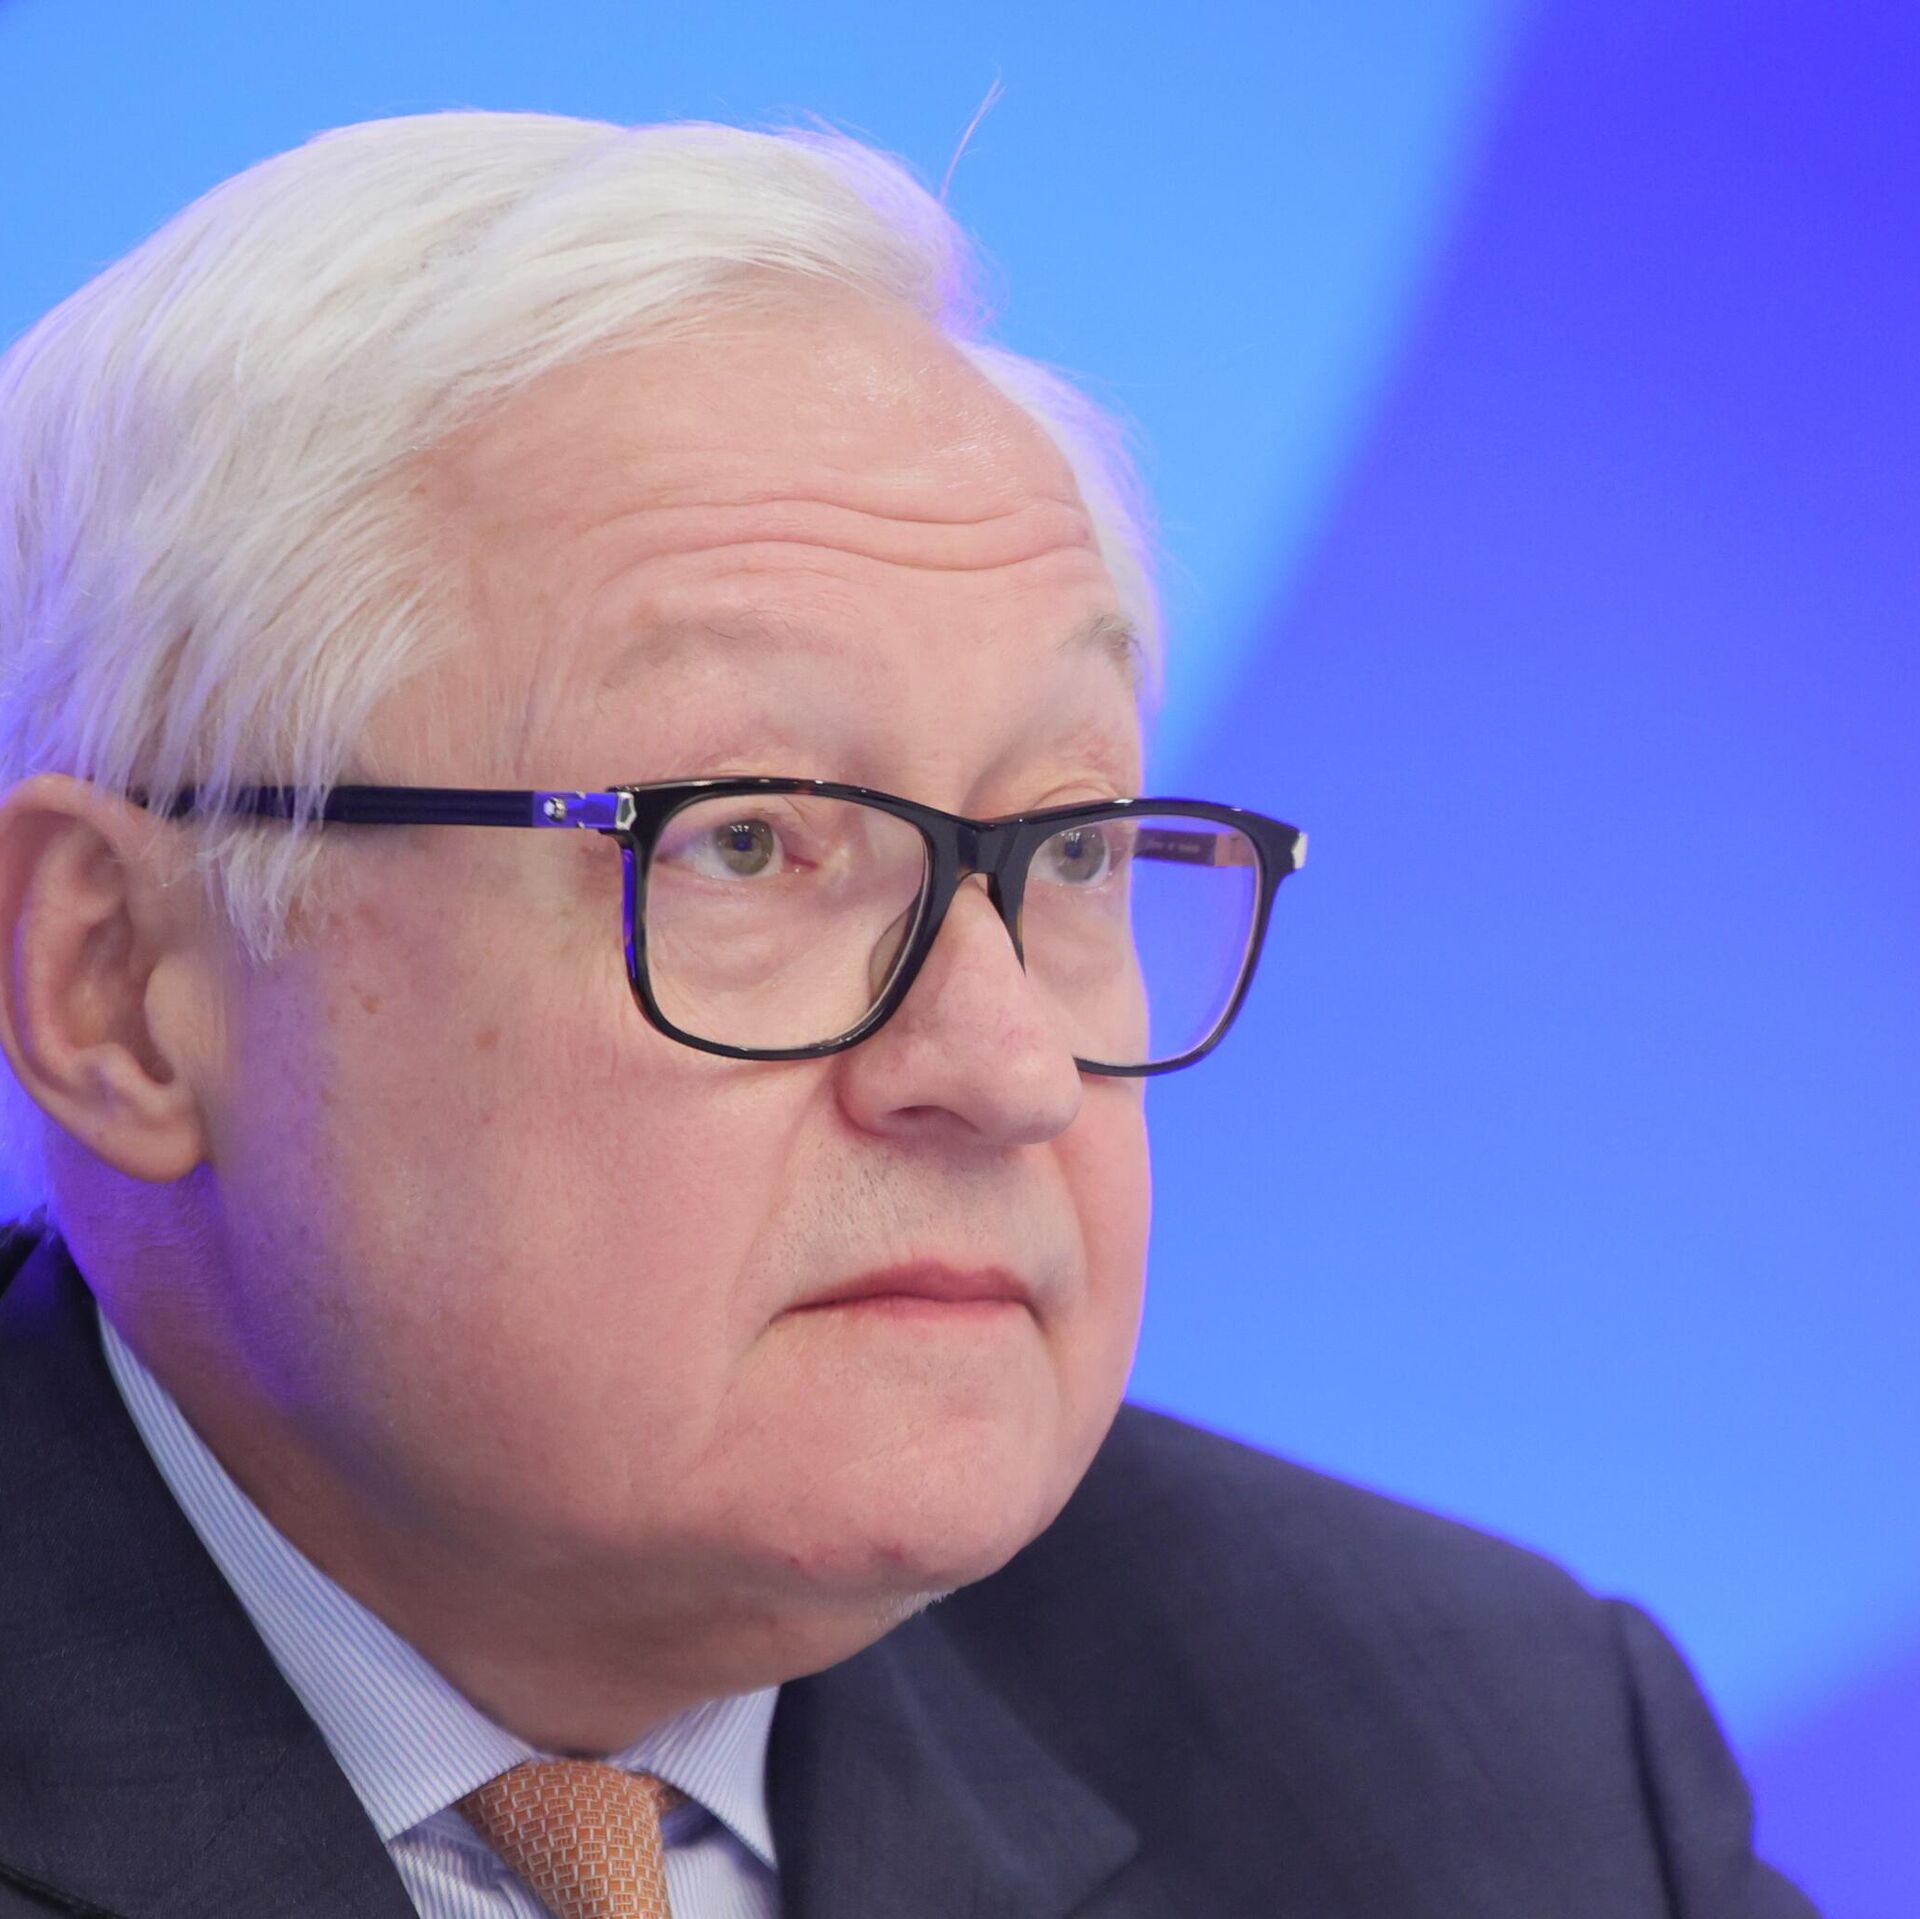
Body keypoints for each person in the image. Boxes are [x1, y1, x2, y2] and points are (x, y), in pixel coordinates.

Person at [0, 111, 1814, 1919]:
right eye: (745, 842)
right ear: (120, 986)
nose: (1008, 1068)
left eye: (1073, 846)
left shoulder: (1499, 1776)